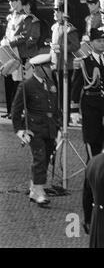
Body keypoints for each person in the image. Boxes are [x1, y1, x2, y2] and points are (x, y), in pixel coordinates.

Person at [11, 54, 62, 206]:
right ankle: (40, 191)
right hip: (34, 128)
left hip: (50, 127)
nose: (50, 68)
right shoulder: (27, 85)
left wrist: (58, 126)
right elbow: (16, 109)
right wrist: (20, 130)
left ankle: (34, 188)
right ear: (38, 68)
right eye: (47, 66)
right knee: (39, 158)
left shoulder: (51, 83)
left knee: (46, 158)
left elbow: (55, 107)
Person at [71, 28, 104, 159]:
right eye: (98, 41)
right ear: (91, 43)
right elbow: (76, 86)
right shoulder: (84, 62)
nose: (102, 43)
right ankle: (91, 174)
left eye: (103, 41)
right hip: (91, 105)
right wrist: (74, 109)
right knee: (92, 141)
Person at [1, 0, 36, 119]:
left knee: (17, 83)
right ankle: (10, 109)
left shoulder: (25, 17)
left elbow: (25, 36)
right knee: (8, 81)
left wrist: (11, 42)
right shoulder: (11, 17)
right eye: (10, 1)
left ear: (20, 1)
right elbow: (7, 33)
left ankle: (16, 110)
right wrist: (4, 41)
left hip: (18, 53)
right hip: (8, 52)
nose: (11, 4)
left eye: (13, 1)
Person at [50, 0, 80, 123]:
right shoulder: (55, 27)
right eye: (55, 11)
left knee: (64, 93)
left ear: (64, 13)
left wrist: (61, 47)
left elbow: (75, 46)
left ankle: (65, 116)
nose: (55, 13)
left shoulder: (70, 29)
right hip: (55, 63)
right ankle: (58, 114)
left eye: (58, 11)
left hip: (65, 64)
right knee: (56, 92)